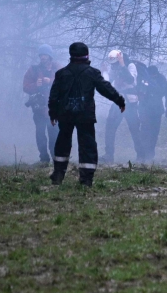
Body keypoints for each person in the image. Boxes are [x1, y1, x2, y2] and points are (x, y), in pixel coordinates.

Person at [48, 42, 126, 186]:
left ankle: (58, 175)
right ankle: (86, 180)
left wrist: (53, 113)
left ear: (71, 55)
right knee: (88, 145)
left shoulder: (61, 74)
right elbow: (106, 88)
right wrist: (119, 100)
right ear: (87, 55)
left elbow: (54, 96)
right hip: (85, 115)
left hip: (65, 114)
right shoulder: (92, 73)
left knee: (62, 143)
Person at [102, 49, 143, 164]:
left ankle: (141, 155)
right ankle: (109, 155)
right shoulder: (114, 68)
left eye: (115, 63)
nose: (113, 66)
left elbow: (130, 79)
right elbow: (107, 83)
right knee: (110, 127)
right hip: (118, 102)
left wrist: (122, 65)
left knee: (134, 129)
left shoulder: (130, 66)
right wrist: (104, 72)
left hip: (130, 103)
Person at [23, 44, 59, 165]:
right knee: (40, 133)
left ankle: (56, 158)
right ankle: (44, 159)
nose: (43, 57)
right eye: (41, 55)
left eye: (45, 55)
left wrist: (51, 81)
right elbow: (26, 87)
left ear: (50, 56)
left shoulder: (58, 69)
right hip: (39, 108)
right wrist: (36, 85)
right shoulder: (33, 70)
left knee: (54, 134)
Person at [138, 66, 167, 163]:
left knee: (154, 132)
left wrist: (152, 85)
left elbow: (163, 91)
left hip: (156, 109)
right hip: (144, 108)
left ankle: (150, 153)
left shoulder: (161, 78)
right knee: (144, 131)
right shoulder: (143, 78)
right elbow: (139, 90)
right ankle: (142, 154)